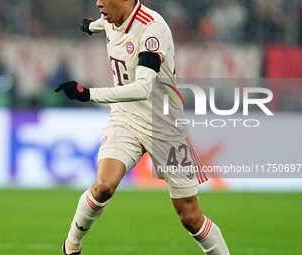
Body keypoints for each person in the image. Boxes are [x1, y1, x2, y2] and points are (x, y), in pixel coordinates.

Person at [55, 1, 230, 254]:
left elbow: (142, 88)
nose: (98, 3)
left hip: (165, 127)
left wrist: (88, 94)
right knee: (103, 186)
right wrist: (90, 27)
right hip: (125, 118)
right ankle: (71, 246)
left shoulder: (153, 29)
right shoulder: (111, 18)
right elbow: (102, 23)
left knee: (190, 216)